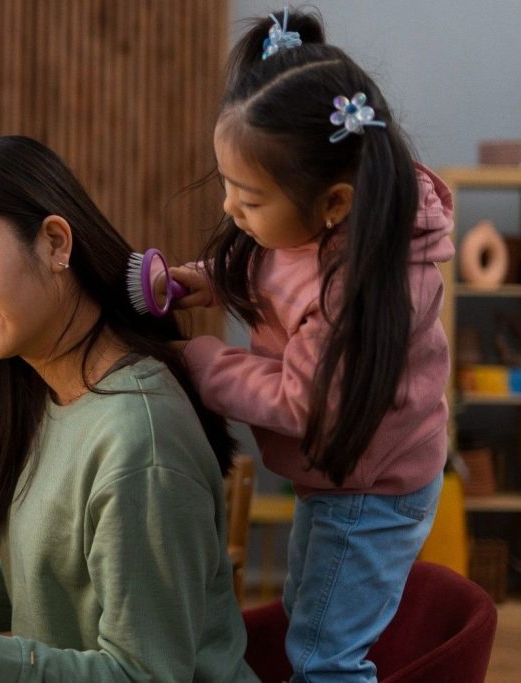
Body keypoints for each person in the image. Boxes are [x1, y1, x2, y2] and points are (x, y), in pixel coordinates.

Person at [0, 135, 257, 681]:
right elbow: (55, 591)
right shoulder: (56, 399)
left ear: (55, 242)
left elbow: (145, 675)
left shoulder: (137, 440)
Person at [170, 7, 453, 682]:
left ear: (332, 203)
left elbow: (300, 399)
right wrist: (207, 282)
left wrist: (201, 362)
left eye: (247, 196)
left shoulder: (359, 288)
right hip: (344, 474)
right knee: (309, 616)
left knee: (326, 656)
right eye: (227, 188)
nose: (230, 211)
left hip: (372, 492)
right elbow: (276, 267)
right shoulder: (318, 225)